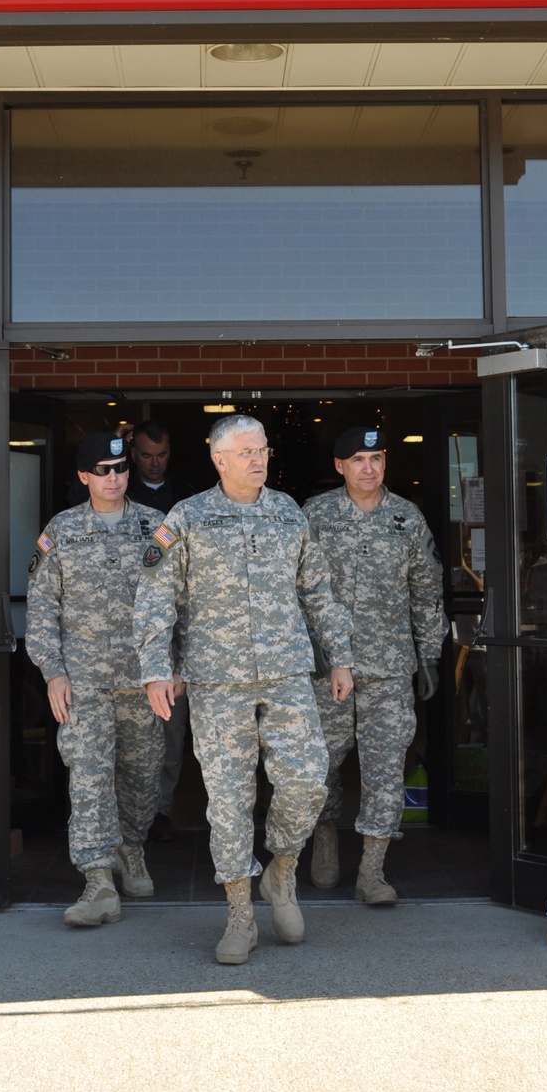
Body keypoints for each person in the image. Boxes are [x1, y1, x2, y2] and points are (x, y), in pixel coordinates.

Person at [134, 413, 353, 965]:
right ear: (219, 459)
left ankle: (281, 872)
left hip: (287, 674)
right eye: (247, 451)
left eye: (263, 450)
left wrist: (339, 658)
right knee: (229, 801)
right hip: (216, 679)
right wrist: (156, 668)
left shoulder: (287, 512)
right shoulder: (186, 518)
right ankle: (238, 913)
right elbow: (156, 598)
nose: (259, 459)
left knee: (306, 781)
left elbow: (318, 590)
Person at [25, 432, 172, 928]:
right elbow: (42, 607)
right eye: (104, 471)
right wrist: (52, 672)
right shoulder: (61, 531)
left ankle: (132, 848)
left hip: (143, 680)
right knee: (89, 776)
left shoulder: (157, 526)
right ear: (84, 476)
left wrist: (175, 669)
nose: (115, 478)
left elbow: (181, 603)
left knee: (142, 776)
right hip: (82, 680)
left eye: (121, 469)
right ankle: (97, 880)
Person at [303, 427, 448, 905]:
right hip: (329, 667)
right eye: (358, 459)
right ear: (339, 466)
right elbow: (293, 588)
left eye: (377, 458)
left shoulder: (407, 518)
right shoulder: (316, 515)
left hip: (389, 665)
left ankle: (372, 868)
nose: (369, 468)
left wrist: (429, 653)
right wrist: (308, 648)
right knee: (322, 760)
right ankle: (325, 837)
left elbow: (426, 590)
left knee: (386, 765)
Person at [125, 421, 196, 842]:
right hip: (116, 646)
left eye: (162, 455)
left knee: (171, 736)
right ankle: (127, 824)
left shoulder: (187, 497)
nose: (154, 464)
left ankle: (161, 812)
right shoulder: (112, 484)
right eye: (146, 455)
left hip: (170, 642)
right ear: (133, 453)